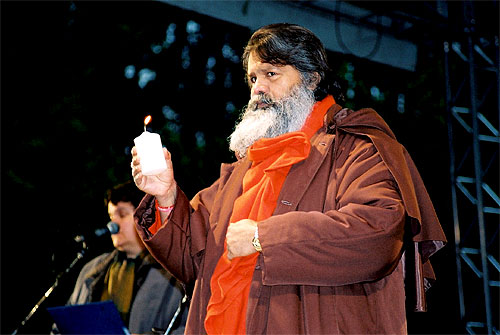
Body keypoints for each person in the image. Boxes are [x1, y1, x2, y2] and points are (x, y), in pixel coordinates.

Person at [131, 23, 446, 334]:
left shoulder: (354, 149)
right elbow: (192, 257)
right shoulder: (243, 170)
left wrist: (262, 238)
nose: (258, 88)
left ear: (311, 79)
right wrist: (167, 197)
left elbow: (377, 231)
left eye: (271, 74)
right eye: (253, 77)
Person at [54, 181, 188, 334]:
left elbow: (192, 327)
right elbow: (63, 326)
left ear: (146, 217)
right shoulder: (92, 269)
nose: (113, 224)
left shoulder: (174, 271)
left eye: (122, 215)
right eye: (111, 216)